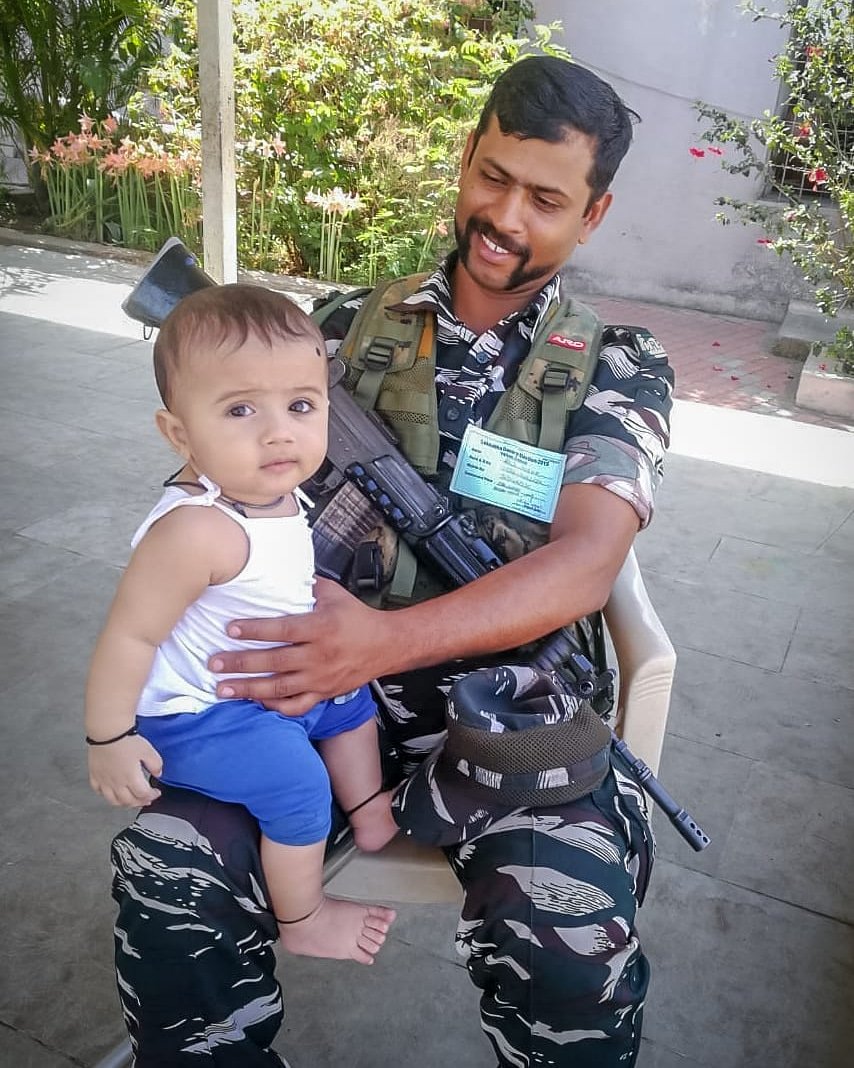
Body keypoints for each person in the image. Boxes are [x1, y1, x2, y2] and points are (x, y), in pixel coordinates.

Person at [110, 54, 674, 1067]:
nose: (504, 215)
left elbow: (587, 563)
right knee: (168, 867)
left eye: (544, 199)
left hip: (509, 715)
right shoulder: (333, 329)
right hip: (299, 710)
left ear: (590, 217)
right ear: (465, 159)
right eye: (491, 176)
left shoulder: (617, 365)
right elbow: (209, 478)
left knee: (570, 934)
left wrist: (375, 646)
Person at [86, 284, 397, 966]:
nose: (278, 430)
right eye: (240, 409)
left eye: (300, 405)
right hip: (200, 717)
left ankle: (372, 809)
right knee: (297, 786)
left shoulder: (273, 492)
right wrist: (109, 737)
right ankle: (304, 917)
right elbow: (128, 636)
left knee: (350, 697)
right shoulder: (197, 530)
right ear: (179, 434)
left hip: (268, 686)